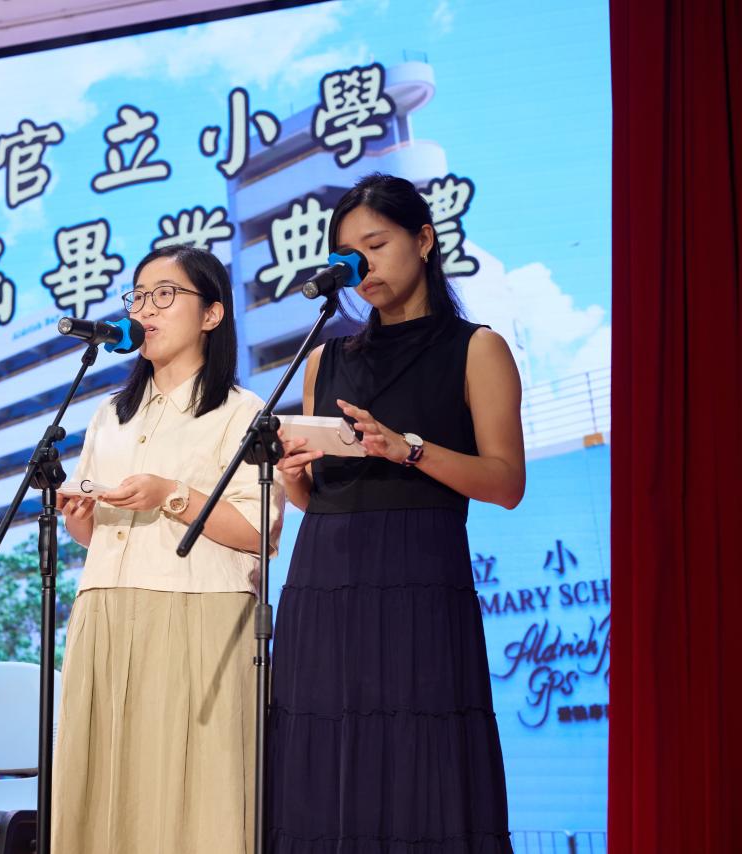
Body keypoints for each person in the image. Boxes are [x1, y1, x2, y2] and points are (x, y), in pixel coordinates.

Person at [268, 173, 525, 854]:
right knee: (324, 758)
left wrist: (406, 448)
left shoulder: (477, 348)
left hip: (418, 573)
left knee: (423, 757)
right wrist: (294, 478)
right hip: (323, 580)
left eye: (376, 245)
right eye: (348, 255)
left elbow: (505, 483)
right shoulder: (323, 359)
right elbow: (319, 497)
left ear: (424, 239)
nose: (363, 267)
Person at [51, 244, 284, 854]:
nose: (145, 310)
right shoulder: (110, 415)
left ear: (212, 314)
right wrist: (80, 517)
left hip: (199, 612)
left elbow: (261, 531)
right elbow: (98, 535)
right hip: (105, 609)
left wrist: (171, 495)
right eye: (138, 296)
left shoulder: (242, 412)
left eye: (164, 295)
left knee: (193, 794)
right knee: (106, 788)